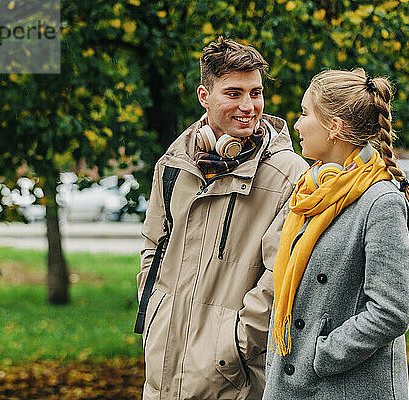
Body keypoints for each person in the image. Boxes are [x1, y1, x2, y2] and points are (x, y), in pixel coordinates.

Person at [136, 37, 308, 399]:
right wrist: (154, 312)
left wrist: (237, 342)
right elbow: (152, 247)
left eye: (256, 93)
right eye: (234, 93)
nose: (249, 106)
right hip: (162, 365)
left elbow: (283, 272)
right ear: (204, 96)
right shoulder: (172, 166)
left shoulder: (288, 173)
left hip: (231, 376)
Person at [263, 69, 409, 400]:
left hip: (344, 387)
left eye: (305, 113)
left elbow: (390, 312)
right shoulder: (312, 191)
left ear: (333, 127)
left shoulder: (382, 201)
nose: (297, 125)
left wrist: (320, 355)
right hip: (294, 383)